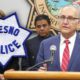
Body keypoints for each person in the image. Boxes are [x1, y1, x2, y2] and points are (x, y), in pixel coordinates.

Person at [36, 4, 80, 71]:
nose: (65, 22)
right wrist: (40, 72)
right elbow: (37, 69)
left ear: (78, 23)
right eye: (62, 17)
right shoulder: (45, 44)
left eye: (70, 18)